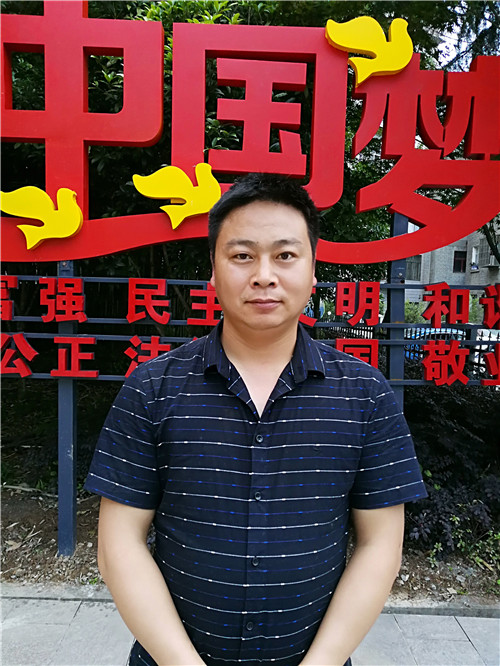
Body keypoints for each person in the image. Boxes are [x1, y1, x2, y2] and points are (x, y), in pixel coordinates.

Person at [85, 173, 427, 666]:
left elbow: (380, 545)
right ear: (213, 270)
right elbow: (119, 544)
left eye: (285, 255)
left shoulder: (365, 394)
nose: (264, 275)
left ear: (313, 271)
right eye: (242, 255)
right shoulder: (152, 388)